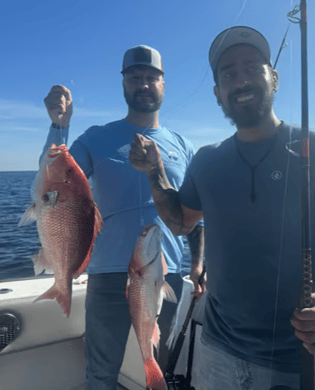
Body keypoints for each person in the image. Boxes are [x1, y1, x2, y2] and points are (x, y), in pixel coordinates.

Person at [129, 27, 315, 390]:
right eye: (228, 73)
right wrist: (155, 171)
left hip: (297, 357)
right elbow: (181, 221)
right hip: (216, 352)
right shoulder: (207, 161)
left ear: (273, 78)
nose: (240, 80)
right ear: (217, 94)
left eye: (252, 68)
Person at [42, 45, 204, 390]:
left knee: (157, 365)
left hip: (166, 277)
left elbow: (196, 214)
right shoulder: (97, 138)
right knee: (101, 374)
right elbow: (53, 184)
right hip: (107, 276)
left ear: (163, 84)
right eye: (135, 77)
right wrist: (59, 126)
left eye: (151, 77)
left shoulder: (183, 146)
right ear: (124, 84)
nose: (143, 84)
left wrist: (199, 264)